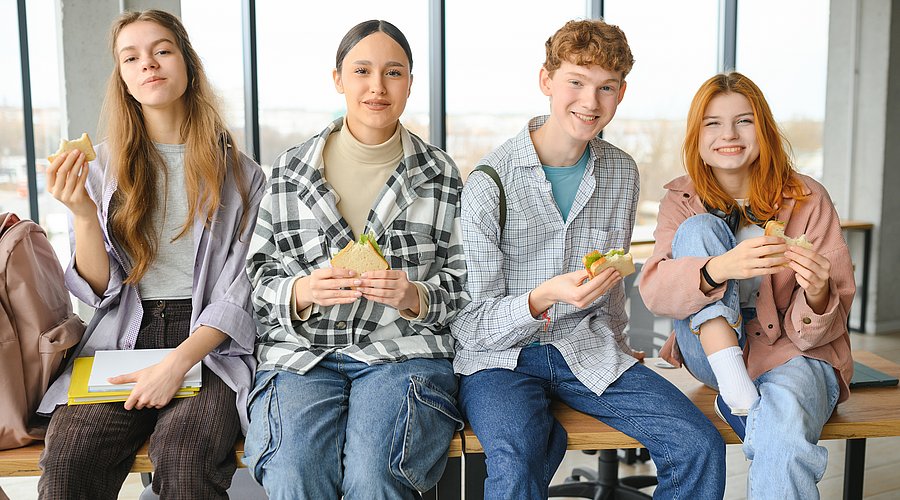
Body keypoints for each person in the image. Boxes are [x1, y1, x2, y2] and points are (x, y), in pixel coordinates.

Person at [450, 19, 725, 499]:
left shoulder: (621, 171)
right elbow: (471, 325)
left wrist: (620, 342)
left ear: (621, 93)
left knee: (697, 444)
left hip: (589, 350)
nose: (590, 102)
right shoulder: (488, 182)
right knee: (517, 463)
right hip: (500, 361)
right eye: (576, 82)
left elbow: (612, 282)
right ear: (546, 81)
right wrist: (542, 298)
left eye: (606, 88)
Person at [36, 9, 266, 499]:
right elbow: (99, 290)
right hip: (122, 338)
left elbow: (240, 291)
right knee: (67, 462)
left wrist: (175, 365)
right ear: (122, 78)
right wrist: (81, 212)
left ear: (187, 61)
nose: (149, 64)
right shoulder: (100, 169)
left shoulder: (243, 176)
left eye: (162, 50)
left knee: (186, 460)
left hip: (207, 344)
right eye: (131, 57)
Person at [243, 20, 467, 500]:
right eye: (362, 70)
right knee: (294, 471)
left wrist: (416, 296)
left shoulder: (440, 173)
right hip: (302, 354)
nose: (376, 87)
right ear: (338, 78)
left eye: (394, 73)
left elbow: (464, 285)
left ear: (409, 82)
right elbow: (257, 278)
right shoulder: (290, 171)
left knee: (376, 476)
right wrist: (301, 291)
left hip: (402, 352)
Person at [639, 71, 855, 498]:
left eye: (744, 121)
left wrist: (816, 293)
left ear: (764, 129)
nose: (729, 135)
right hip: (715, 350)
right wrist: (718, 268)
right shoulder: (679, 200)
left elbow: (836, 313)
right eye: (713, 123)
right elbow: (655, 292)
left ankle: (745, 405)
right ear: (696, 136)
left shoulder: (809, 198)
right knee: (700, 230)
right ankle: (736, 382)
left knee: (784, 430)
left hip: (796, 347)